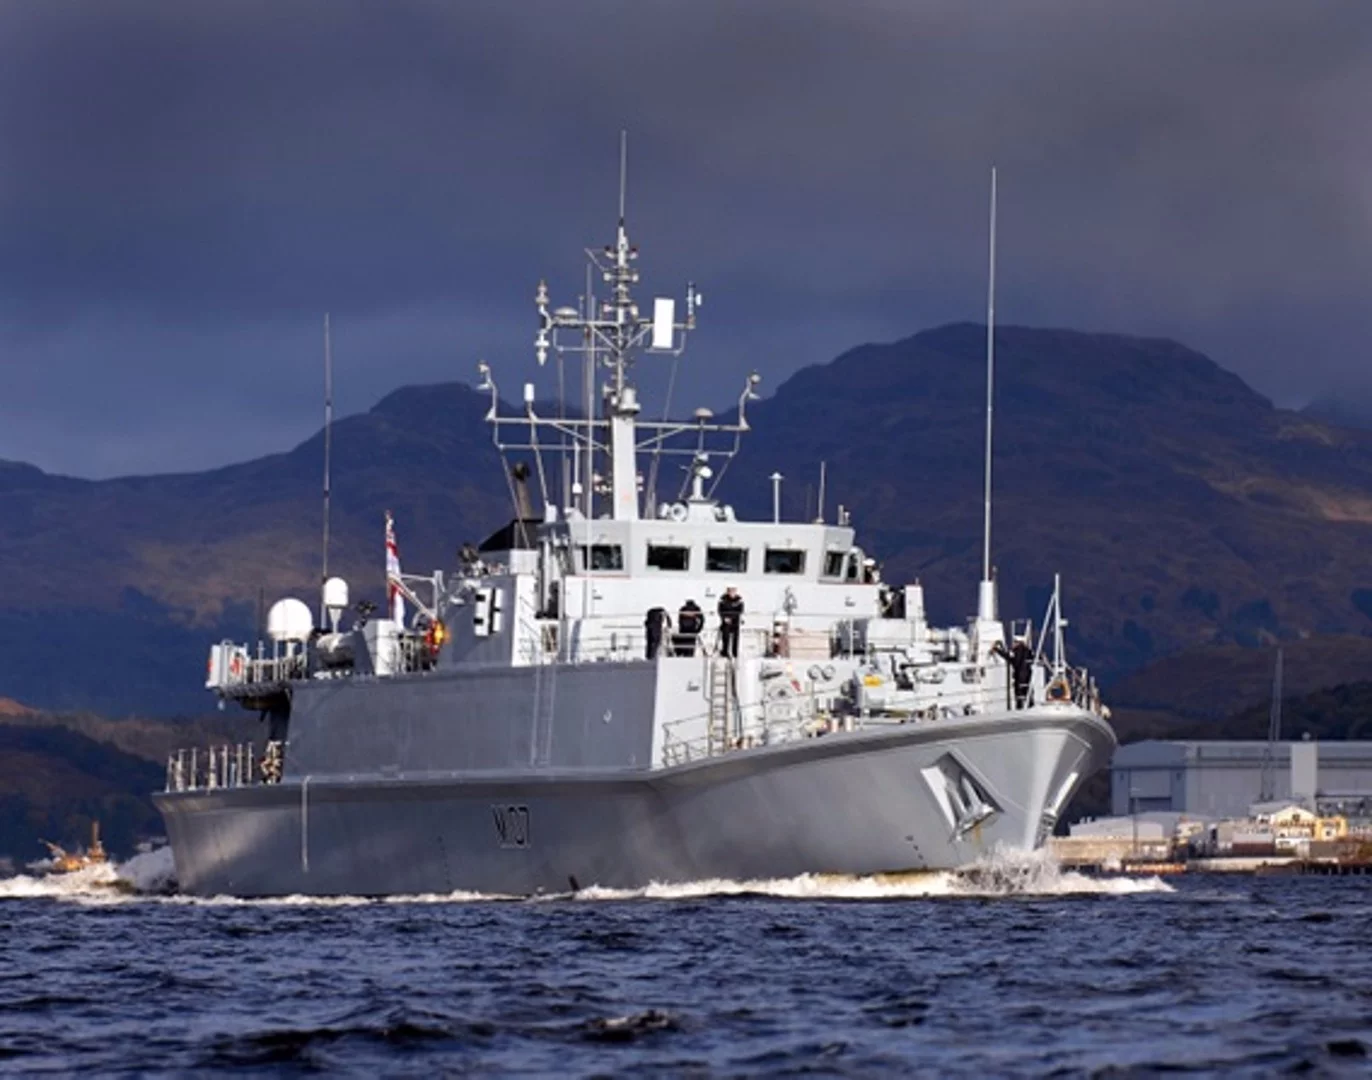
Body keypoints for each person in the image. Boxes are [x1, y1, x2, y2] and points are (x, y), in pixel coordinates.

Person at [717, 586, 744, 659]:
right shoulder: (723, 599)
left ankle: (735, 653)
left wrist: (733, 617)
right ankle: (725, 652)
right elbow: (720, 610)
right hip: (726, 621)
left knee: (736, 638)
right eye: (730, 591)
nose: (732, 592)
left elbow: (740, 610)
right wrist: (725, 618)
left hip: (735, 621)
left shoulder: (739, 600)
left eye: (733, 591)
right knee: (725, 637)